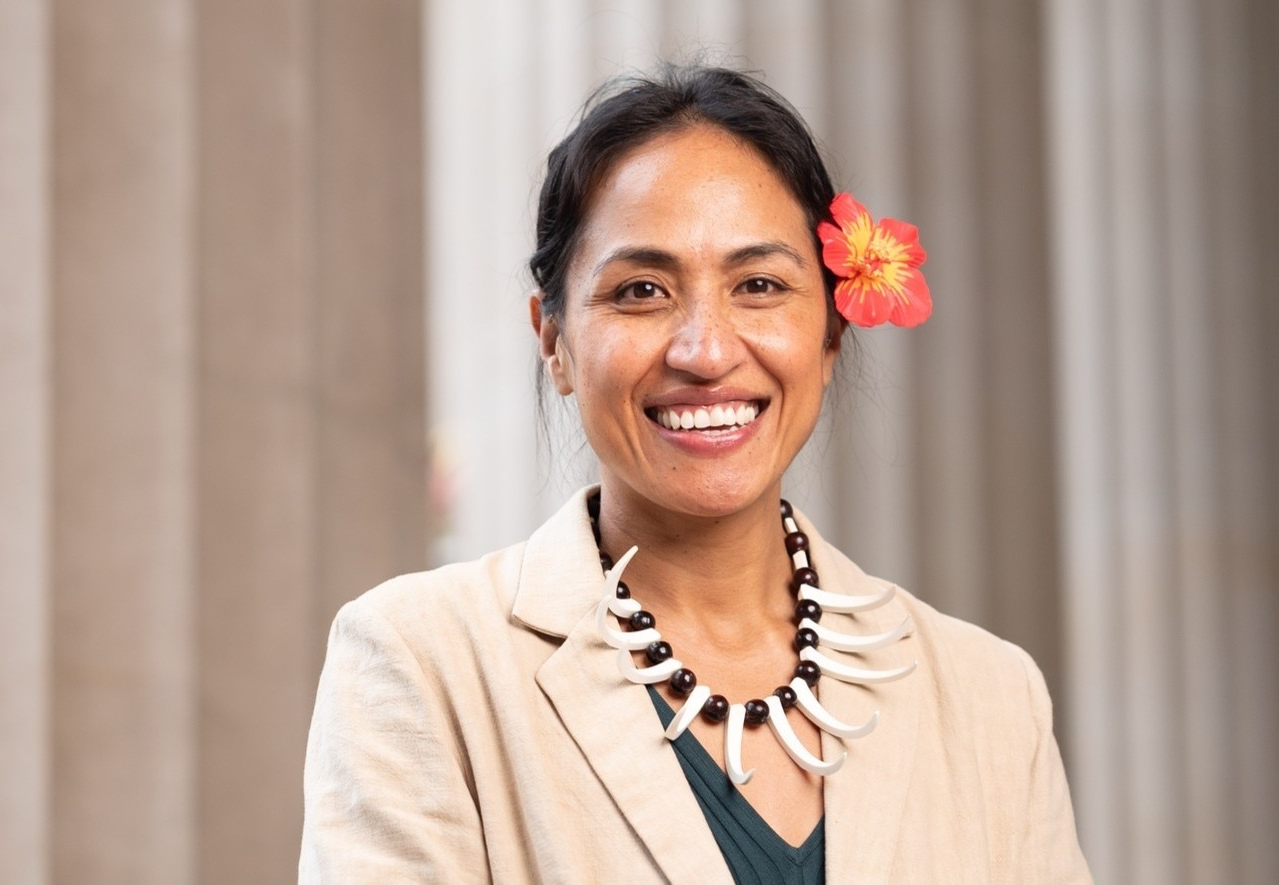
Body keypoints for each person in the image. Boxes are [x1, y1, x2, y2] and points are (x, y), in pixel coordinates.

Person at [299, 65, 1091, 884]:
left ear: (831, 330)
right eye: (640, 290)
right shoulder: (423, 662)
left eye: (758, 285)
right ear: (553, 339)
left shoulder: (989, 695)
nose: (706, 351)